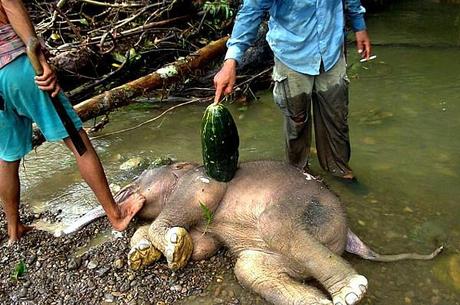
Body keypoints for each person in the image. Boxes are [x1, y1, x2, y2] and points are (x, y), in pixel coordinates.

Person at [0, 0, 145, 245]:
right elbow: (11, 6)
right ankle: (116, 214)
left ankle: (13, 229)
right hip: (18, 68)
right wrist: (40, 60)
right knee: (78, 141)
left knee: (7, 154)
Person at [214, 0, 371, 180]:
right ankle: (298, 175)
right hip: (292, 54)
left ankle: (339, 170)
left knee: (337, 118)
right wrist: (231, 61)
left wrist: (360, 26)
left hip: (332, 50)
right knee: (297, 121)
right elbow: (251, 11)